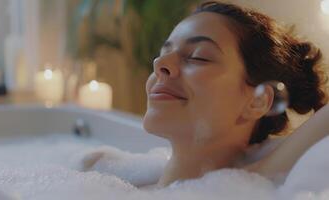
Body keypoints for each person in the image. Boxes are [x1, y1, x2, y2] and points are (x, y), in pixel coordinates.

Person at [83, 1, 329, 187]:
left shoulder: (250, 184)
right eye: (164, 52)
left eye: (199, 56)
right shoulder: (100, 172)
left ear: (258, 101)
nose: (160, 64)